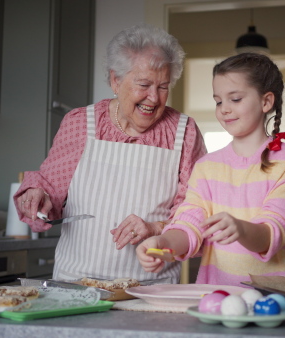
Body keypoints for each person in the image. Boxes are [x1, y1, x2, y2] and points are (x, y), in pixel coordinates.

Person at [14, 24, 206, 283]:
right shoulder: (81, 123)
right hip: (76, 285)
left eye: (163, 86)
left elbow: (194, 211)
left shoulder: (184, 132)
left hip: (151, 289)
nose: (154, 97)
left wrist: (153, 228)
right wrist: (39, 198)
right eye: (144, 84)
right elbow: (51, 191)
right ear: (116, 80)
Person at [136, 53, 285, 286]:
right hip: (218, 297)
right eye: (219, 101)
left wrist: (241, 229)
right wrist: (163, 242)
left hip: (279, 297)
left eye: (235, 99)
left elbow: (275, 231)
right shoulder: (207, 167)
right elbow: (189, 223)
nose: (224, 109)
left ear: (266, 102)